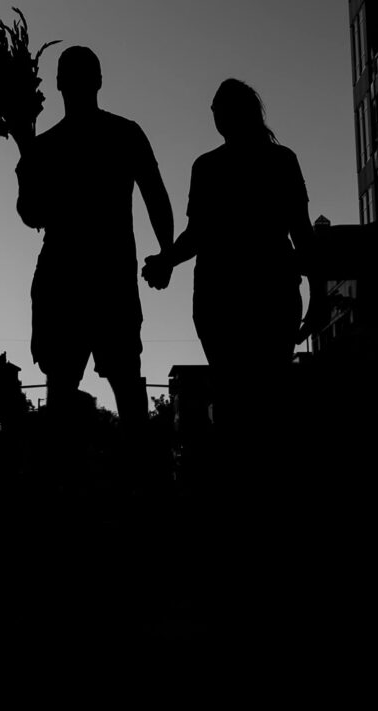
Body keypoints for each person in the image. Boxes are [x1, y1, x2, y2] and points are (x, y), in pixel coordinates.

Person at [142, 79, 326, 490]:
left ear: (232, 114)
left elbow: (199, 234)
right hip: (268, 294)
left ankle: (240, 489)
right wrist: (317, 293)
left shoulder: (210, 167)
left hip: (224, 296)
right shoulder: (279, 161)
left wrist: (165, 260)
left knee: (235, 398)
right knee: (264, 396)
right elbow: (301, 234)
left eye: (217, 108)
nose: (213, 114)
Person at [17, 46, 174, 478]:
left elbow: (32, 214)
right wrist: (166, 254)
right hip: (99, 280)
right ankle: (138, 485)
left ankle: (66, 488)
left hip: (74, 280)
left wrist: (168, 253)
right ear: (98, 81)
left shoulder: (51, 145)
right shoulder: (120, 134)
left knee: (73, 392)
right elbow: (156, 196)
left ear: (57, 84)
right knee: (117, 388)